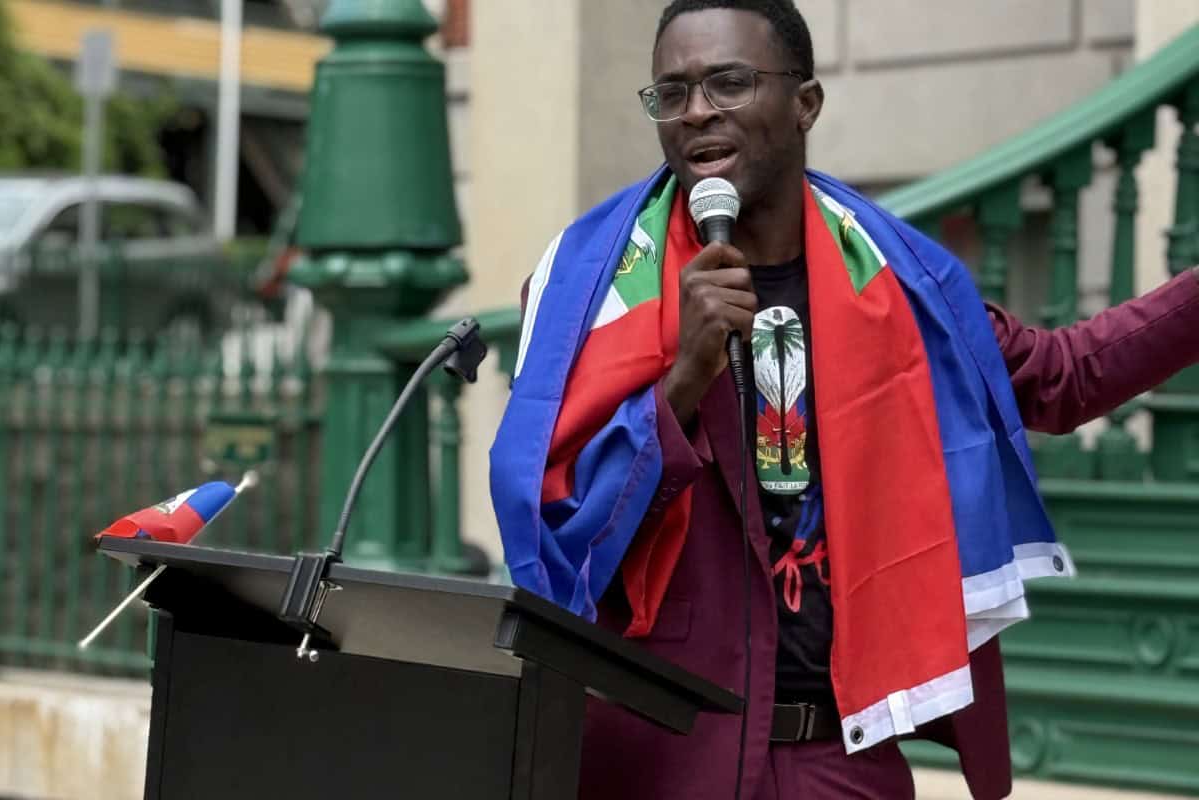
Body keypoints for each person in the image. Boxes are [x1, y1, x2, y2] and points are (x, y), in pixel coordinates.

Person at [489, 1, 1199, 798]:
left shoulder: (900, 284)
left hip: (839, 757)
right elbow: (564, 541)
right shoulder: (593, 297)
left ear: (806, 103)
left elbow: (1063, 377)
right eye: (672, 92)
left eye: (727, 83)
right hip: (659, 760)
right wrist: (681, 379)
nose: (696, 114)